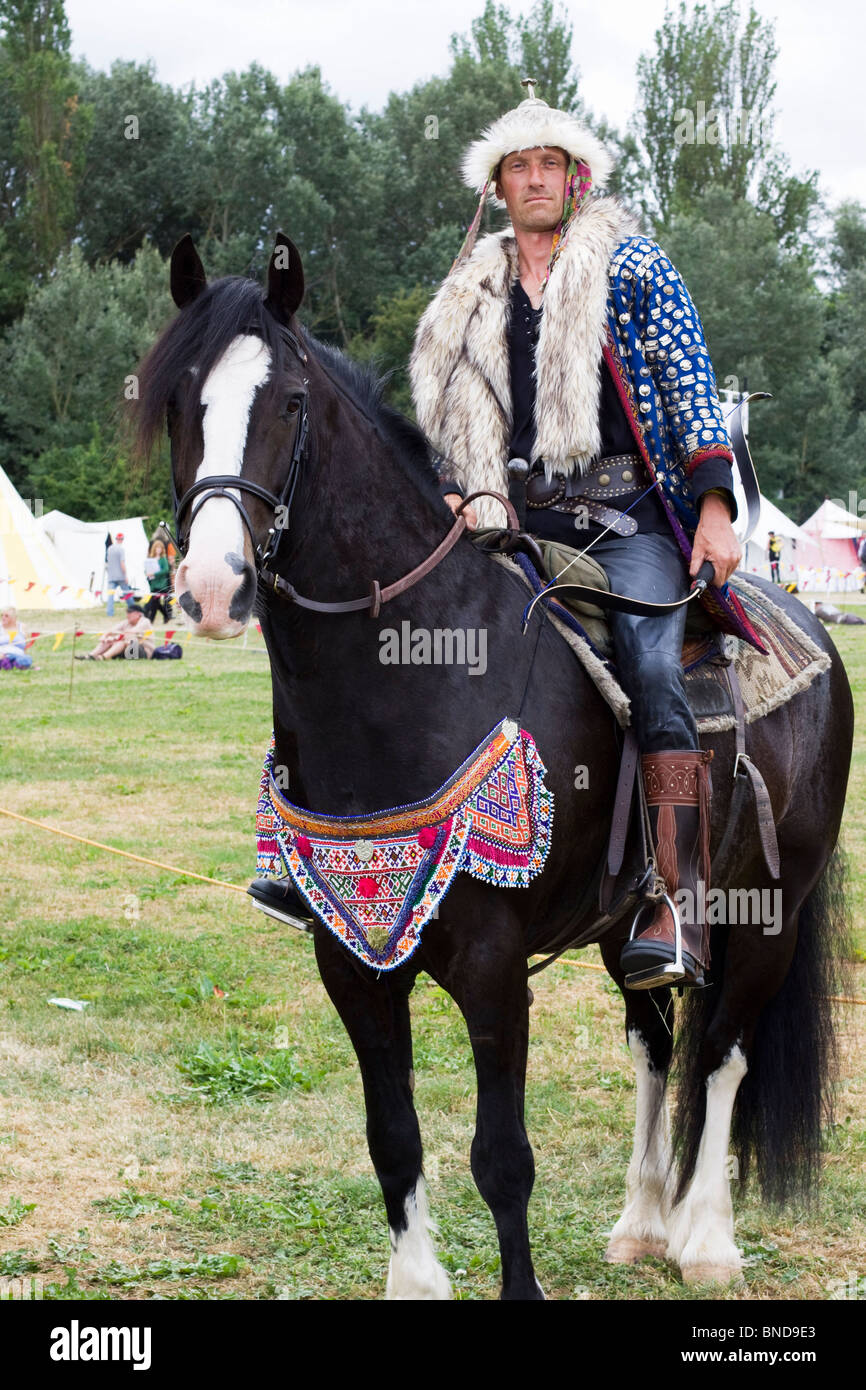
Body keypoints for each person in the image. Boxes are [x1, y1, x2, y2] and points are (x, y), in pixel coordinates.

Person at [406, 82, 766, 991]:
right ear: (497, 186)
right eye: (518, 166)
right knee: (419, 650)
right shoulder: (469, 293)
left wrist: (716, 507)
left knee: (650, 665)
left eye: (549, 165)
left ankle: (678, 897)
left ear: (577, 178)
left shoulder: (633, 266)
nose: (534, 180)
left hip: (624, 519)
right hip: (511, 521)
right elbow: (451, 413)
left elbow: (689, 385)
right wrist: (454, 488)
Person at [76, 603, 154, 660]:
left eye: (130, 612)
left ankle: (103, 657)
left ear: (138, 614)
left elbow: (131, 632)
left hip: (143, 652)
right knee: (109, 641)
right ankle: (91, 656)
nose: (127, 615)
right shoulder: (126, 622)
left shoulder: (145, 622)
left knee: (121, 641)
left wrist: (115, 638)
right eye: (127, 612)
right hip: (128, 652)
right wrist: (105, 636)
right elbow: (111, 630)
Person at [143, 538, 172, 624]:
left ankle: (151, 620)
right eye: (157, 548)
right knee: (155, 602)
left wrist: (154, 573)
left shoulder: (163, 559)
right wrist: (147, 573)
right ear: (154, 548)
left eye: (160, 548)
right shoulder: (150, 559)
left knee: (154, 602)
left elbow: (166, 570)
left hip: (161, 584)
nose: (158, 549)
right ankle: (166, 615)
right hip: (153, 583)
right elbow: (146, 569)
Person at [105, 532, 129, 618]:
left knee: (110, 596)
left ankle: (109, 613)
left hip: (111, 576)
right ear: (121, 539)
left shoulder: (110, 548)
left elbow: (107, 562)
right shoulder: (121, 549)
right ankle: (134, 610)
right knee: (127, 594)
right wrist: (125, 575)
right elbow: (122, 563)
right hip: (120, 576)